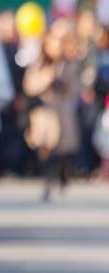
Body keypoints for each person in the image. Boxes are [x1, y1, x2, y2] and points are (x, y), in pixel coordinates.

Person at [23, 19, 83, 200]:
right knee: (46, 148)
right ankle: (47, 181)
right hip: (44, 113)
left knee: (63, 150)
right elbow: (30, 86)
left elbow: (74, 88)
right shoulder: (40, 63)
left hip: (62, 110)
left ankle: (62, 175)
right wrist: (46, 79)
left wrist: (62, 84)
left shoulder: (70, 65)